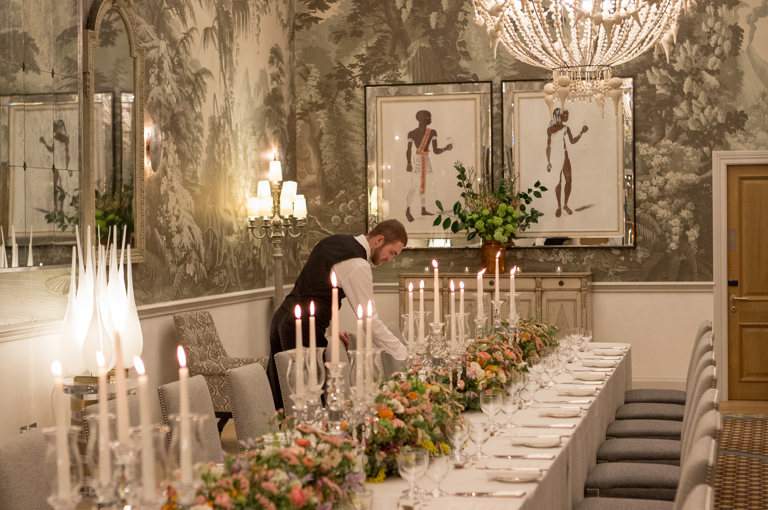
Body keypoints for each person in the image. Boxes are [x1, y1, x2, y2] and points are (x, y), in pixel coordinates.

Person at [266, 219, 409, 410]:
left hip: (283, 320)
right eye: (392, 252)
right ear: (379, 240)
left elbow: (317, 289)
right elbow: (369, 321)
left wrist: (327, 333)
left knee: (285, 397)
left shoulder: (333, 242)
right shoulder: (357, 264)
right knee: (309, 403)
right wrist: (404, 354)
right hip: (303, 329)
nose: (390, 259)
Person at [405, 110, 453, 222]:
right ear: (421, 118)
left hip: (426, 159)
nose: (430, 119)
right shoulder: (411, 133)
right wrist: (408, 163)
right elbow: (408, 149)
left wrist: (445, 148)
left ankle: (423, 209)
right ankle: (407, 210)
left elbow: (435, 150)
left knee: (428, 184)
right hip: (417, 160)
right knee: (415, 185)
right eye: (428, 117)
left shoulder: (432, 132)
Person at [545, 108, 588, 217]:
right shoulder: (550, 129)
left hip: (565, 155)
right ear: (558, 116)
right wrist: (549, 162)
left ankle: (565, 204)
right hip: (555, 157)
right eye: (565, 115)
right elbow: (548, 146)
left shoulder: (566, 128)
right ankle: (559, 206)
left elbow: (572, 141)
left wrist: (581, 132)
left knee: (569, 180)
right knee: (557, 181)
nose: (567, 116)